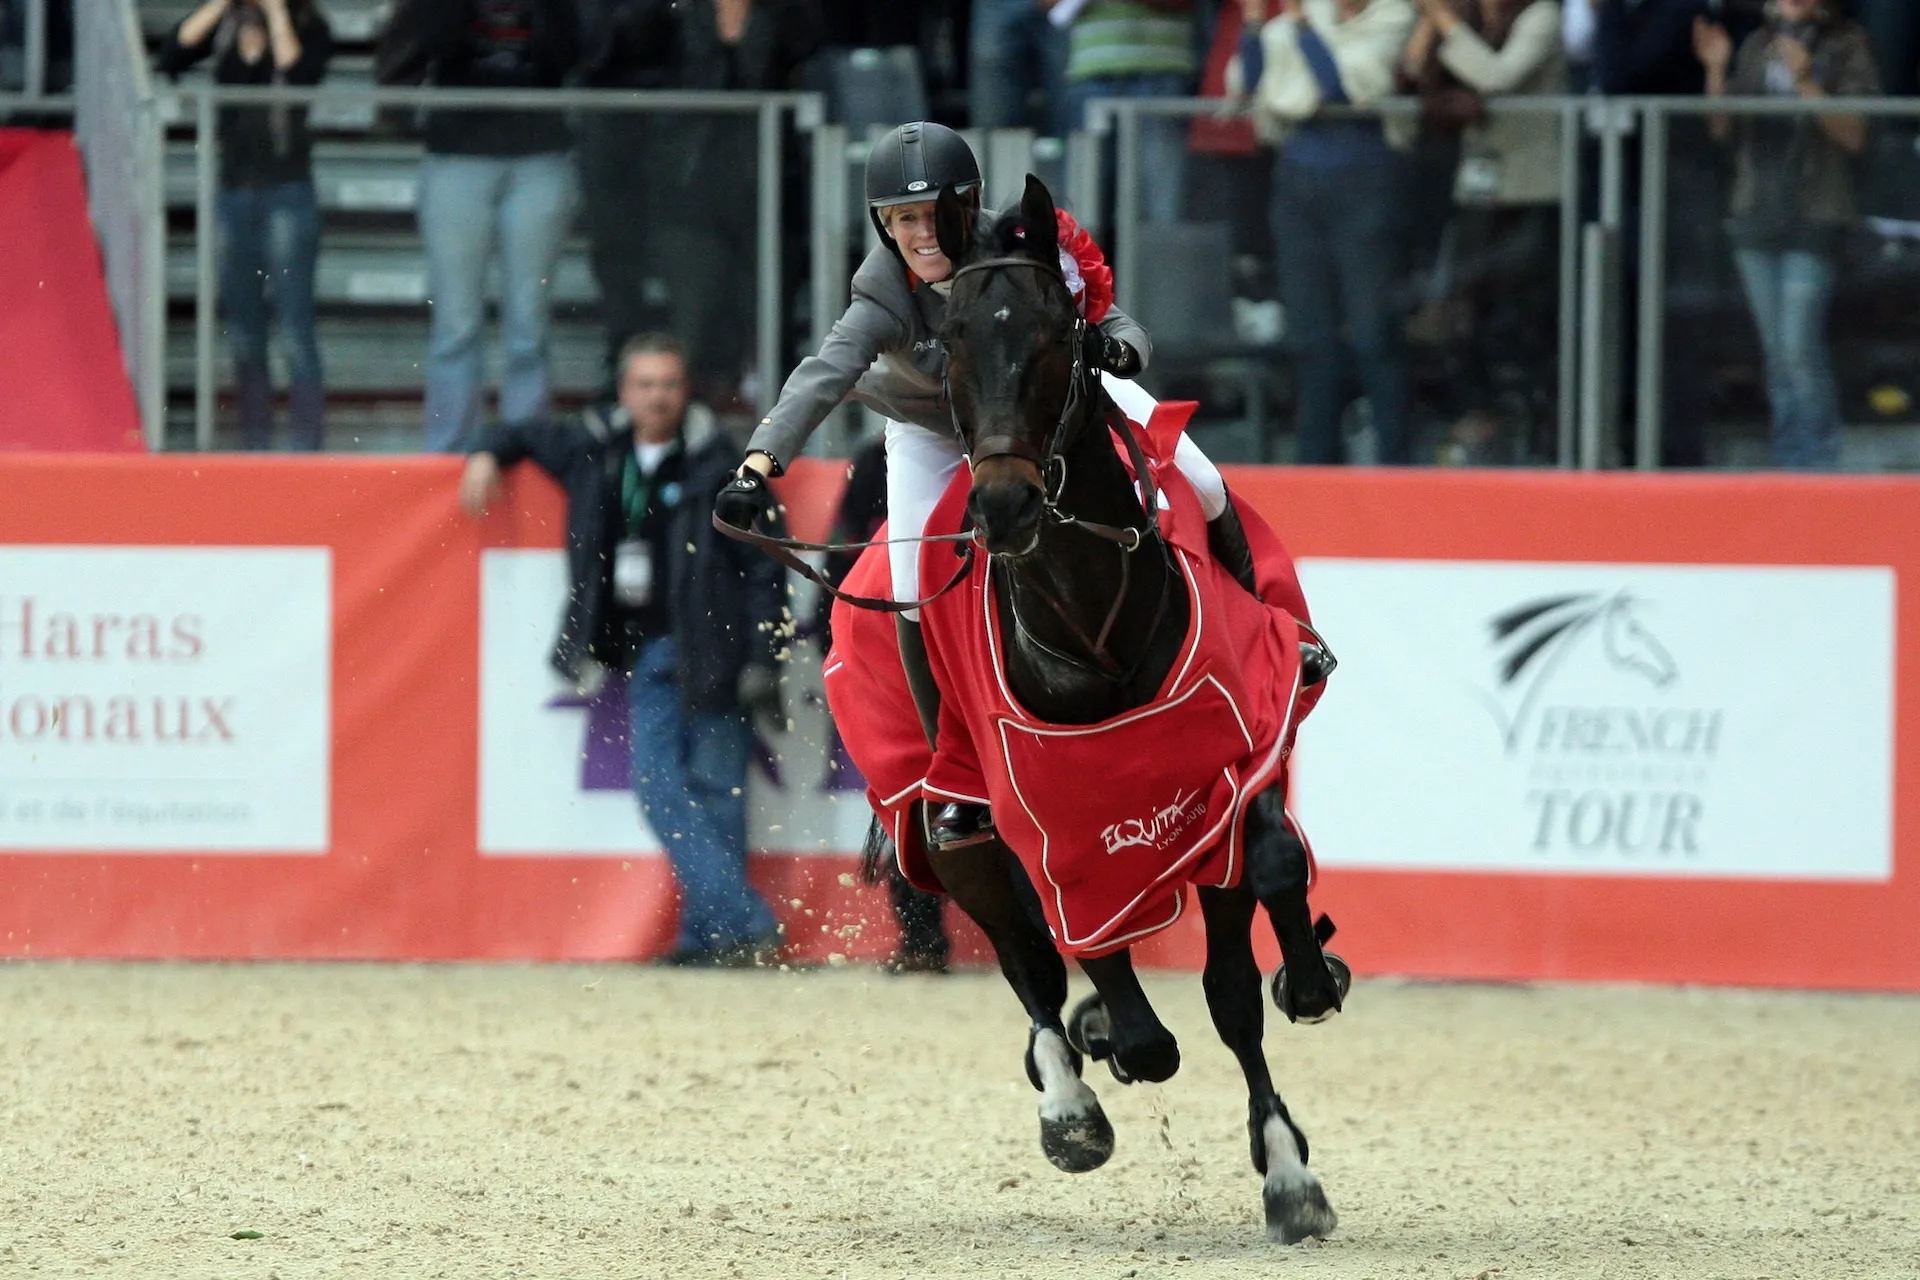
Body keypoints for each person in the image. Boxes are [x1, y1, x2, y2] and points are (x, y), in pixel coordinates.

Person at [713, 121, 1257, 853]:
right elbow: (823, 375)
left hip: (1050, 404)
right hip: (937, 431)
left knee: (1205, 481)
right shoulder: (881, 291)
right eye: (903, 219)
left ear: (970, 206)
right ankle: (957, 773)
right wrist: (757, 465)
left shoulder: (1021, 244)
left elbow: (1121, 323)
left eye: (937, 211)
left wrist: (1115, 349)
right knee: (908, 580)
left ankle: (1256, 636)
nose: (922, 232)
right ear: (883, 225)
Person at [460, 333, 790, 966]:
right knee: (662, 787)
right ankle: (744, 924)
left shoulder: (728, 464)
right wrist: (483, 452)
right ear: (624, 391)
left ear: (685, 390)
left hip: (716, 648)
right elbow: (519, 433)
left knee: (717, 792)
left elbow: (765, 569)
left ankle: (712, 937)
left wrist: (762, 659)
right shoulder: (596, 448)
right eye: (645, 384)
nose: (656, 396)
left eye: (667, 384)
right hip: (647, 647)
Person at [578, 0, 821, 402]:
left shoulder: (783, 13)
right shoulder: (669, 14)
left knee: (770, 322)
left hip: (769, 187)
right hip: (688, 188)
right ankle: (689, 437)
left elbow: (805, 43)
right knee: (694, 320)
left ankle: (775, 443)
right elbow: (621, 45)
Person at [1231, 0, 1419, 464]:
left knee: (1373, 331)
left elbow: (1340, 86)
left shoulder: (1393, 16)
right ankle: (1315, 461)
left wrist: (1299, 24)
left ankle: (1395, 463)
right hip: (1297, 185)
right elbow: (1248, 83)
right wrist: (1255, 25)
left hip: (1366, 183)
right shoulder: (1303, 18)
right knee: (1311, 335)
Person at [1695, 0, 1878, 470]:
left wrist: (1805, 81)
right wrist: (1716, 70)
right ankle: (1790, 454)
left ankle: (1816, 457)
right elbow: (1722, 129)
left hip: (1814, 213)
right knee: (1776, 350)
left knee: (1799, 344)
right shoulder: (1758, 44)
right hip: (1757, 211)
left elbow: (1856, 133)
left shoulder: (1847, 45)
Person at [390, 0, 579, 452]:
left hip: (538, 156)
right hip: (458, 155)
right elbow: (432, 39)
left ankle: (527, 446)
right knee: (455, 323)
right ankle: (449, 450)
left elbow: (570, 51)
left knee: (528, 325)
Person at [159, 0, 333, 450]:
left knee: (295, 326)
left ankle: (305, 446)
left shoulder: (311, 27)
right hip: (234, 191)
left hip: (288, 192)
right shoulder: (225, 30)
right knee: (243, 330)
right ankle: (255, 442)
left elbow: (300, 80)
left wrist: (276, 14)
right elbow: (172, 55)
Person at [1401, 0, 1564, 463]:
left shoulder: (1540, 17)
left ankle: (1541, 436)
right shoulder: (1467, 17)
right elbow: (1413, 72)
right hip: (1476, 191)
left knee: (1521, 320)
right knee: (1461, 311)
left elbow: (1496, 76)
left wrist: (1446, 21)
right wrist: (1432, 26)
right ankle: (1480, 420)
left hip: (1531, 191)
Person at [817, 437, 953, 974]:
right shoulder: (878, 459)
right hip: (900, 640)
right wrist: (833, 634)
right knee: (910, 788)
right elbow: (844, 547)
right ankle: (922, 937)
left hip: (963, 629)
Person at [1054, 0, 1200, 223]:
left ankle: (1159, 258)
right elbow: (1048, 6)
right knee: (1084, 198)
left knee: (1162, 199)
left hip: (1161, 73)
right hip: (1091, 75)